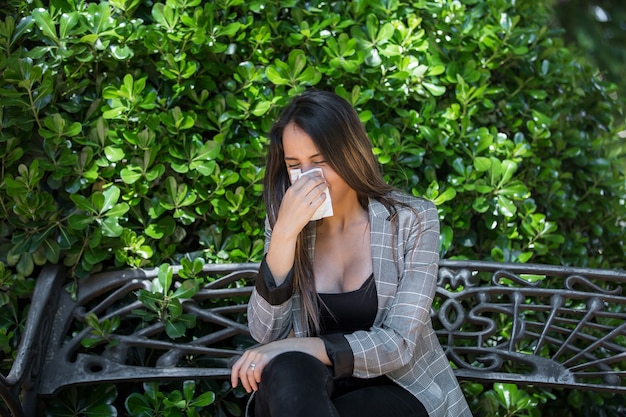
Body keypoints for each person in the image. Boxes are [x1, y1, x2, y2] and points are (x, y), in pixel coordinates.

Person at [231, 90, 472, 417]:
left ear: (350, 154)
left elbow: (399, 344)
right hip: (308, 385)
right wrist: (285, 235)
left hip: (395, 384)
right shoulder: (285, 221)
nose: (308, 178)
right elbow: (266, 334)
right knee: (287, 370)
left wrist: (299, 345)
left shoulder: (411, 220)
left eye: (319, 162)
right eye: (294, 165)